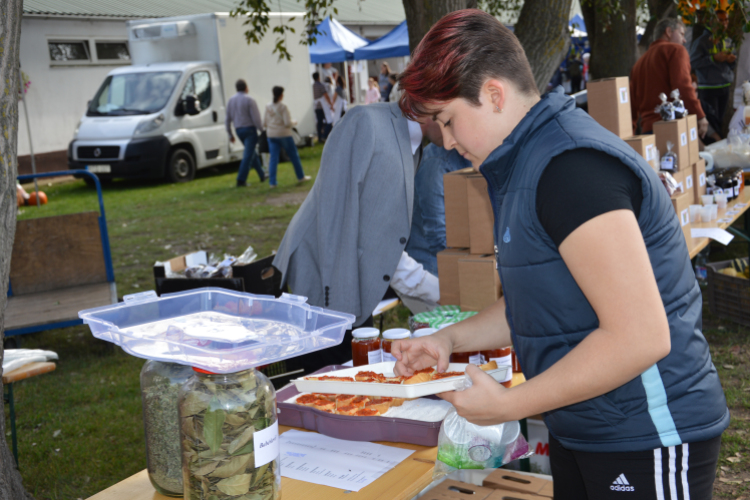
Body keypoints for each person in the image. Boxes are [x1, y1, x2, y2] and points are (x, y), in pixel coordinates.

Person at [393, 10, 728, 500]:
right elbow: (537, 301)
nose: (446, 141)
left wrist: (510, 405)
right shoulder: (524, 163)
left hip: (647, 432)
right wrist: (449, 339)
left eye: (447, 120)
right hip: (589, 426)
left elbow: (640, 336)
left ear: (493, 94)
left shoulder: (570, 169)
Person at [273, 101, 443, 373]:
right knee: (326, 390)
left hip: (350, 293)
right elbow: (335, 217)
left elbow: (381, 237)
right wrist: (341, 316)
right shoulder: (365, 121)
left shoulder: (414, 145)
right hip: (320, 283)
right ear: (432, 104)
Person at [631, 18, 707, 135]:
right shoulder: (675, 50)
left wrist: (631, 132)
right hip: (672, 127)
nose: (684, 40)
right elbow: (682, 86)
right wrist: (700, 115)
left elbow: (632, 105)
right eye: (681, 34)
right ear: (668, 32)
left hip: (647, 131)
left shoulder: (638, 63)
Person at [406, 144, 471, 276]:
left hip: (460, 261)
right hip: (431, 269)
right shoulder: (437, 162)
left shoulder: (475, 156)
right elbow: (437, 235)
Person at [691, 10, 736, 136]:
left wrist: (731, 61)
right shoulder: (702, 41)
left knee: (721, 122)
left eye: (726, 20)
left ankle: (719, 148)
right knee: (712, 123)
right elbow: (693, 63)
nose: (724, 23)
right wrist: (713, 58)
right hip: (709, 87)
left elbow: (732, 65)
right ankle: (711, 149)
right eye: (720, 20)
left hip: (725, 86)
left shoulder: (728, 40)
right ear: (711, 22)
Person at [263, 86, 311, 188]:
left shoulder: (268, 106)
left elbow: (264, 123)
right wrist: (295, 122)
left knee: (273, 159)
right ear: (281, 95)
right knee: (293, 156)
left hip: (271, 135)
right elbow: (287, 123)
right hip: (284, 134)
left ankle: (272, 182)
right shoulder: (283, 107)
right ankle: (300, 176)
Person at [226, 79, 265, 187]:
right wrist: (262, 130)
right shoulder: (249, 99)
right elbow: (256, 118)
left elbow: (227, 119)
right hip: (249, 130)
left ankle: (262, 175)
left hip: (238, 130)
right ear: (246, 87)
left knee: (251, 153)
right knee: (248, 155)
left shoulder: (231, 100)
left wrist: (230, 134)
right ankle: (241, 180)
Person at [312, 72, 331, 142]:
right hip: (322, 106)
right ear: (318, 77)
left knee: (319, 122)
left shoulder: (312, 86)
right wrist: (330, 104)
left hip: (316, 106)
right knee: (327, 121)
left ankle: (319, 137)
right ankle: (324, 135)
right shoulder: (320, 85)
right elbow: (325, 95)